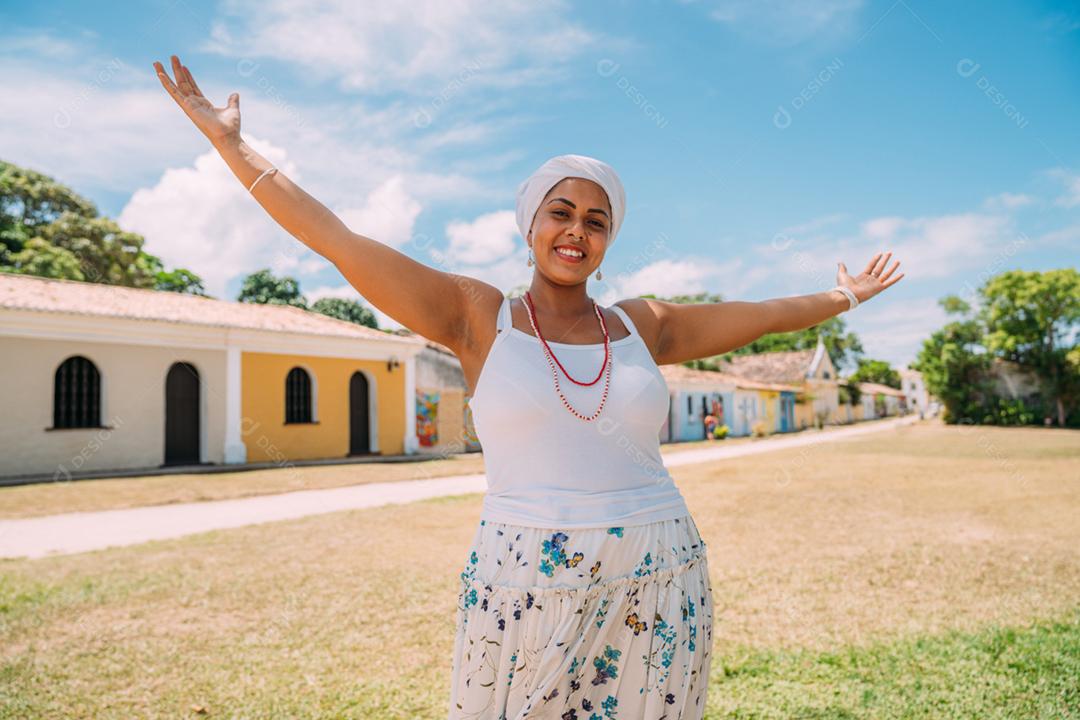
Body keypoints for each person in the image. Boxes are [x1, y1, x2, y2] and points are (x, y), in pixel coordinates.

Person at [154, 55, 905, 719]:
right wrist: (229, 142)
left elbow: (759, 315)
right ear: (532, 224)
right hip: (523, 582)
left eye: (596, 220)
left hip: (657, 571)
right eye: (562, 213)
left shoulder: (645, 325)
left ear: (609, 240)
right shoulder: (478, 317)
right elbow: (336, 239)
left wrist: (841, 299)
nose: (577, 230)